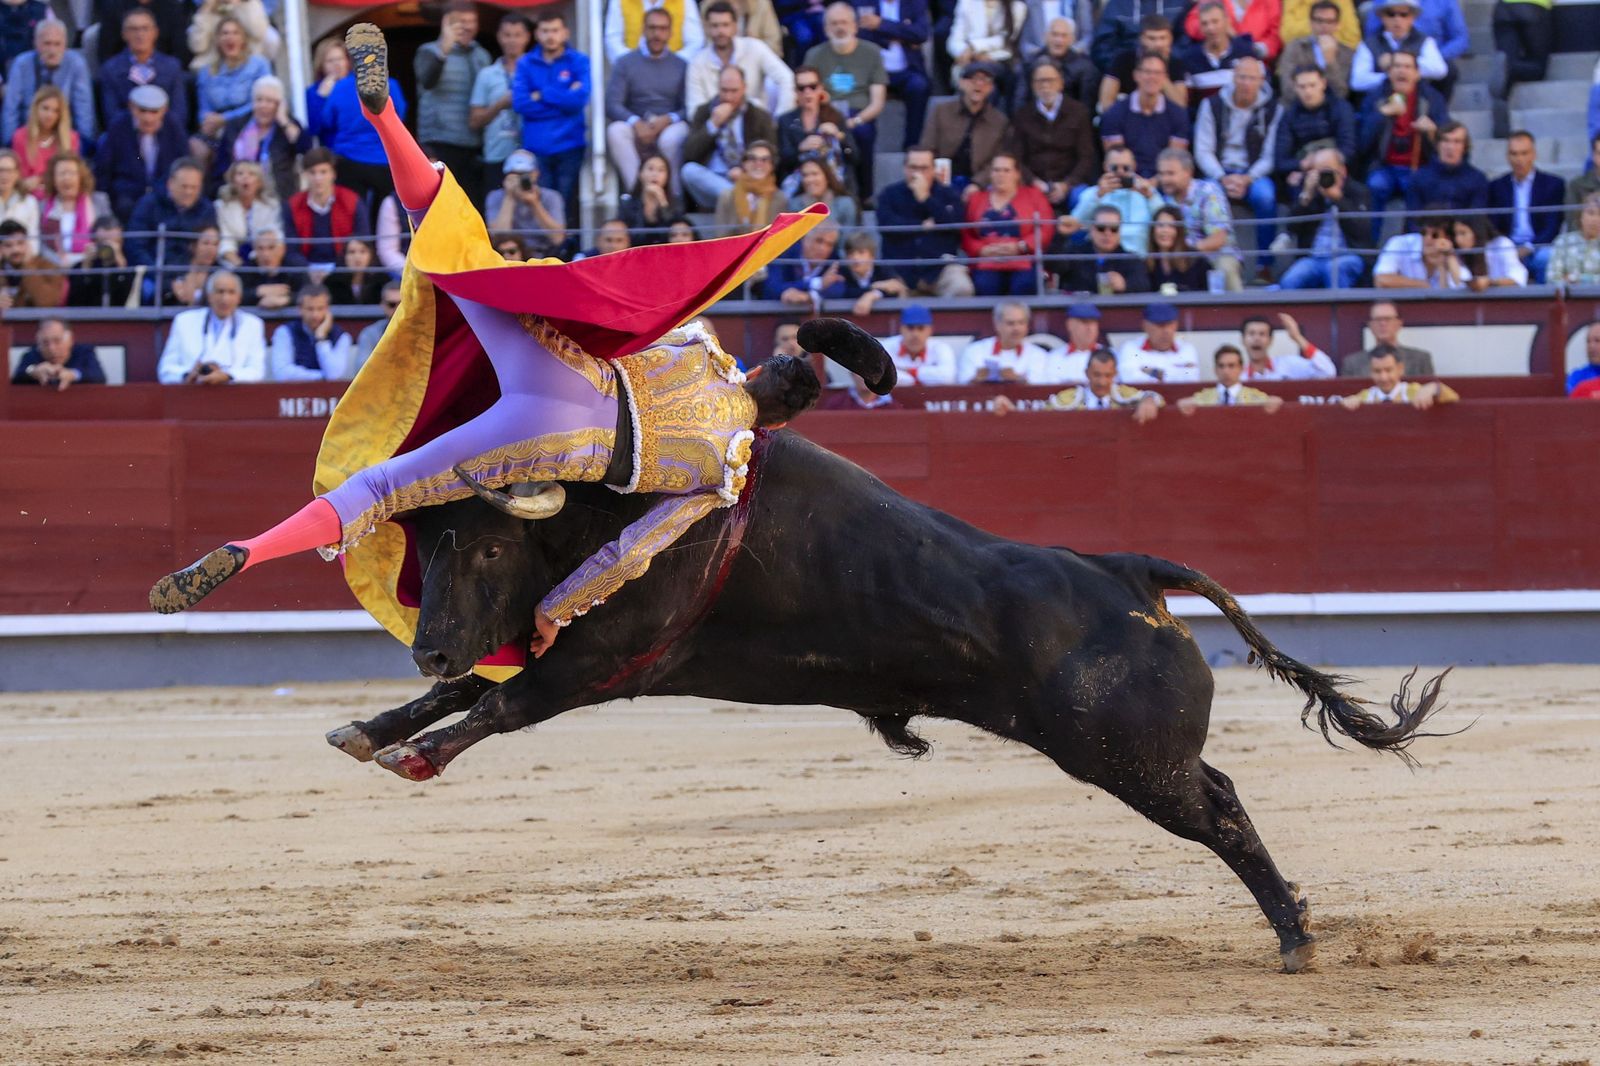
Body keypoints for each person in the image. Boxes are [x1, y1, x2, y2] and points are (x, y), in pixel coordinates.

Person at [150, 23, 842, 645]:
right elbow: (629, 552)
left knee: (455, 246)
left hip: (560, 370)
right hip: (559, 442)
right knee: (383, 489)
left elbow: (638, 313)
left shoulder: (703, 351)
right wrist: (555, 612)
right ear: (776, 421)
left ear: (757, 374)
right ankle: (251, 548)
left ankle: (386, 115)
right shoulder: (726, 470)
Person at [1356, 49, 1447, 243]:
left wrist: (1432, 132)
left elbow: (1447, 140)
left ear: (1417, 73)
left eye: (1407, 67)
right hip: (1384, 167)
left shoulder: (1431, 99)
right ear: (1389, 73)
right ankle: (1369, 250)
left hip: (1418, 167)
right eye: (1396, 66)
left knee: (1419, 186)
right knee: (1375, 185)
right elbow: (1362, 143)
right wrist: (1382, 114)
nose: (1401, 72)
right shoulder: (1376, 98)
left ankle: (1414, 247)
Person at [513, 12, 590, 233]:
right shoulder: (526, 63)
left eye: (555, 30)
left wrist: (543, 93)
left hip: (570, 145)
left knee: (567, 203)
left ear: (565, 33)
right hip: (536, 148)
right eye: (545, 31)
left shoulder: (578, 61)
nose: (550, 36)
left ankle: (568, 251)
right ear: (537, 34)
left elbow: (579, 101)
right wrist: (563, 95)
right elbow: (521, 104)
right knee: (540, 202)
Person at [1193, 56, 1280, 248]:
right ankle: (1207, 259)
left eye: (1251, 78)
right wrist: (1222, 176)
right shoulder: (1212, 105)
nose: (1246, 83)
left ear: (1261, 81)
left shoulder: (1273, 110)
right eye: (1241, 77)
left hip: (1252, 174)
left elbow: (1270, 155)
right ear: (1233, 78)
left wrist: (1248, 178)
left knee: (1266, 196)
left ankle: (1264, 266)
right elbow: (1203, 150)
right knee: (1203, 195)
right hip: (1219, 171)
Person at [802, 3, 887, 195]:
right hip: (825, 113)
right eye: (834, 23)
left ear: (855, 26)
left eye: (844, 22)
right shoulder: (814, 55)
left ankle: (866, 194)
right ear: (825, 29)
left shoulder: (872, 52)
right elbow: (807, 93)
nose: (840, 28)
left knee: (863, 134)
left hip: (859, 115)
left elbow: (877, 101)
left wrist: (853, 122)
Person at [605, 8, 691, 192]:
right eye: (652, 28)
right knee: (615, 131)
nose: (657, 34)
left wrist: (668, 119)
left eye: (662, 29)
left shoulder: (681, 65)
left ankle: (674, 197)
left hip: (669, 125)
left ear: (670, 32)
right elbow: (612, 104)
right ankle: (637, 193)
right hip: (637, 124)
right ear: (643, 29)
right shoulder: (625, 63)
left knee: (672, 137)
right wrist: (636, 123)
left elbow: (688, 107)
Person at [415, 0, 491, 205]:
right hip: (440, 140)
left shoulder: (481, 55)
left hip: (473, 143)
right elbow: (427, 80)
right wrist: (444, 49)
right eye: (460, 21)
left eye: (472, 21)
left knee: (470, 203)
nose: (467, 27)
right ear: (445, 23)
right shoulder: (428, 51)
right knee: (443, 203)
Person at [874, 147, 974, 297]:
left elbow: (955, 225)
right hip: (900, 270)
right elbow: (887, 225)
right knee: (886, 293)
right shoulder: (889, 194)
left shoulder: (948, 194)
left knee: (962, 288)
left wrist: (926, 199)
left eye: (924, 168)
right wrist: (921, 226)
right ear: (904, 168)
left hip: (940, 268)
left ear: (934, 169)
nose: (918, 173)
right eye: (913, 167)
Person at [681, 66, 778, 211]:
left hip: (747, 178)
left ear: (744, 88)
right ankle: (738, 198)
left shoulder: (759, 115)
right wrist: (712, 124)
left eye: (734, 91)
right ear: (718, 88)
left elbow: (772, 153)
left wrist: (745, 170)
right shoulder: (704, 112)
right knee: (688, 170)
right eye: (724, 90)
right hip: (713, 181)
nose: (728, 97)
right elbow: (689, 153)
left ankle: (739, 198)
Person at [1278, 145, 1368, 290]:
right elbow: (1291, 226)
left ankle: (1340, 312)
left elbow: (1363, 230)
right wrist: (1306, 197)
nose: (1324, 177)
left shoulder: (1357, 191)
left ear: (1342, 171)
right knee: (1290, 280)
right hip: (1314, 257)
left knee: (1335, 270)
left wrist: (1339, 199)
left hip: (1348, 255)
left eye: (1327, 171)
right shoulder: (1310, 191)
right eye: (1318, 172)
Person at [1011, 60, 1096, 213]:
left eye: (1050, 80)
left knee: (1084, 198)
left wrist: (1066, 184)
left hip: (1070, 183)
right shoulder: (1023, 115)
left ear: (1061, 83)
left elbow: (1086, 156)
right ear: (1032, 85)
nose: (1045, 86)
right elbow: (1017, 158)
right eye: (1040, 81)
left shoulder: (1078, 112)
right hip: (1034, 183)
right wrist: (1034, 182)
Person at [156, 270, 268, 385]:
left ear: (239, 298)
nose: (225, 299)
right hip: (192, 394)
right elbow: (165, 370)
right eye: (220, 292)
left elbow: (257, 371)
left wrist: (228, 375)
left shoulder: (253, 324)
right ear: (209, 296)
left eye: (231, 292)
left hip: (234, 397)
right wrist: (187, 374)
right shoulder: (184, 321)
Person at [963, 153, 1052, 296]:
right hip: (987, 261)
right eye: (996, 170)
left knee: (1024, 285)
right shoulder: (976, 198)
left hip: (1024, 259)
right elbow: (966, 234)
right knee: (984, 286)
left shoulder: (1034, 195)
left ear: (1017, 174)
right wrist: (982, 250)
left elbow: (1046, 229)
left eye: (1006, 170)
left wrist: (1021, 246)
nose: (1000, 175)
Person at [96, 83, 187, 221]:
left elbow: (182, 164)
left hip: (164, 193)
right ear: (131, 107)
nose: (148, 118)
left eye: (154, 111)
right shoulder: (119, 126)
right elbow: (104, 168)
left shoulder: (173, 127)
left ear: (164, 110)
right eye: (142, 110)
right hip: (127, 196)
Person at [212, 75, 311, 204]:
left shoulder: (287, 126)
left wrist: (283, 120)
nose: (263, 105)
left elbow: (305, 148)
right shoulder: (236, 126)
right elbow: (221, 167)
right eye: (259, 100)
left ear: (280, 104)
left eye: (270, 101)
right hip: (239, 199)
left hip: (278, 198)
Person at [1155, 147, 1242, 290]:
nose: (1164, 179)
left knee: (1225, 267)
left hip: (1214, 255)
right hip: (1180, 258)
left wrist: (1187, 253)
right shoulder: (1164, 200)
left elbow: (1219, 238)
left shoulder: (1208, 191)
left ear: (1188, 172)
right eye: (1161, 174)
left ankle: (1239, 312)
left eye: (1170, 174)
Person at [918, 60, 1012, 192]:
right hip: (941, 177)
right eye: (973, 79)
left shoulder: (999, 121)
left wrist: (977, 183)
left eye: (985, 80)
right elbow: (927, 147)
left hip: (980, 183)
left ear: (991, 88)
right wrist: (937, 175)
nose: (979, 84)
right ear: (961, 83)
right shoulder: (941, 111)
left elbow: (997, 160)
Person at [470, 13, 536, 200]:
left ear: (527, 37)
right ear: (499, 36)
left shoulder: (537, 70)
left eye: (518, 35)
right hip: (496, 153)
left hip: (533, 152)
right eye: (507, 35)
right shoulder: (487, 74)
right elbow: (474, 121)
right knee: (496, 207)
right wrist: (500, 104)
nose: (512, 40)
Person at [192, 16, 272, 164]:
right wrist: (207, 121)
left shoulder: (258, 64)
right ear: (217, 40)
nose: (230, 37)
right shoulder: (206, 71)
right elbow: (203, 109)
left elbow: (263, 103)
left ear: (243, 39)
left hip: (249, 124)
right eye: (225, 33)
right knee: (196, 146)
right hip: (217, 130)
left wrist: (226, 119)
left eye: (235, 33)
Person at [689, 1, 793, 115]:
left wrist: (780, 120)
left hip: (755, 124)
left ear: (735, 26)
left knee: (771, 87)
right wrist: (713, 124)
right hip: (715, 126)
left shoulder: (754, 47)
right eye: (715, 26)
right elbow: (694, 110)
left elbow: (787, 79)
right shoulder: (697, 62)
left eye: (725, 25)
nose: (720, 31)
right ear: (707, 28)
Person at [2, 20, 95, 146]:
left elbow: (83, 109)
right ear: (36, 43)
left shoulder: (76, 64)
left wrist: (84, 145)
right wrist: (10, 144)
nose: (52, 50)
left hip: (64, 136)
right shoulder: (21, 64)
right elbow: (11, 109)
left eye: (57, 44)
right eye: (47, 44)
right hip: (27, 136)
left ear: (65, 45)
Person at [1101, 51, 1191, 180]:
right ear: (1136, 75)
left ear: (1164, 77)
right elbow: (1117, 161)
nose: (1152, 77)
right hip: (1126, 180)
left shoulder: (1178, 114)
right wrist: (1139, 184)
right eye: (1147, 72)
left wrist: (1152, 184)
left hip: (1165, 182)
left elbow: (1174, 159)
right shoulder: (1114, 113)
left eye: (1157, 73)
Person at [1488, 130, 1562, 285]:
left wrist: (1528, 248)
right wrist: (1509, 248)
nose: (1519, 159)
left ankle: (1544, 301)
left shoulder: (1553, 184)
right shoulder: (1497, 186)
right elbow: (1493, 224)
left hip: (1538, 245)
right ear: (1508, 157)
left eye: (1524, 153)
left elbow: (1552, 226)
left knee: (1545, 258)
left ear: (1534, 154)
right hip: (1507, 246)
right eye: (1514, 154)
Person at [855, 0, 931, 148]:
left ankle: (912, 147)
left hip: (907, 70)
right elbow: (859, 35)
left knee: (919, 86)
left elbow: (921, 34)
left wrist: (881, 24)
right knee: (861, 93)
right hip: (872, 72)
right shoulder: (862, 2)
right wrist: (903, 32)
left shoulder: (915, 3)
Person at [97, 8, 187, 130]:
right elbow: (112, 114)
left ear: (155, 32)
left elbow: (179, 112)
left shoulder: (172, 66)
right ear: (124, 34)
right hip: (126, 135)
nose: (140, 34)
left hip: (165, 133)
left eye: (145, 28)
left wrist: (155, 126)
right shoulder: (110, 69)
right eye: (133, 29)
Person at [1064, 145, 1163, 255]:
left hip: (1138, 259)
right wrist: (1098, 195)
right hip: (1102, 259)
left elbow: (1167, 221)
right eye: (1115, 168)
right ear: (1105, 167)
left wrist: (1150, 196)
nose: (1120, 172)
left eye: (1126, 168)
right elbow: (1074, 224)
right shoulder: (1092, 193)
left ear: (1134, 167)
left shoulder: (1147, 192)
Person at [126, 158, 217, 275]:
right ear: (170, 184)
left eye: (194, 187)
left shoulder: (207, 210)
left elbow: (209, 250)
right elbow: (136, 247)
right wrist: (159, 275)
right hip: (154, 273)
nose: (189, 192)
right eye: (184, 186)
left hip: (193, 276)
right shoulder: (148, 205)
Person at [284, 148, 371, 269]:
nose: (318, 178)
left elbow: (363, 241)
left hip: (344, 270)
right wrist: (309, 271)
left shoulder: (352, 201)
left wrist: (335, 271)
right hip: (306, 271)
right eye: (312, 172)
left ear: (333, 174)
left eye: (323, 172)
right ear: (305, 175)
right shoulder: (293, 205)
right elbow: (291, 250)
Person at [776, 64, 859, 190]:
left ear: (821, 88)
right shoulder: (786, 121)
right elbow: (782, 162)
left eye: (813, 87)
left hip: (834, 183)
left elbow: (854, 156)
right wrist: (800, 148)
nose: (807, 92)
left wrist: (839, 137)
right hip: (800, 185)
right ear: (795, 91)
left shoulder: (835, 117)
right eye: (801, 88)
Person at [1274, 65, 1356, 189]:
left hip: (1338, 171)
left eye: (1312, 85)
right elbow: (1280, 161)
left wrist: (1318, 163)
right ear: (1295, 87)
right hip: (1303, 175)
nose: (1308, 91)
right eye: (1302, 87)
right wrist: (1301, 165)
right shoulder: (1289, 116)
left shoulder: (1341, 109)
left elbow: (1348, 149)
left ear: (1323, 83)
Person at [1026, 347, 1162, 421]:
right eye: (1097, 375)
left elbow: (1157, 399)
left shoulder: (1123, 393)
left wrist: (1149, 400)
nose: (1102, 382)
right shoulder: (1071, 398)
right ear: (1087, 373)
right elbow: (1039, 408)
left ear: (1115, 374)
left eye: (1107, 375)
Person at [1350, 0, 1449, 95]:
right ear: (1383, 18)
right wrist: (1391, 76)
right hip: (1379, 103)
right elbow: (1357, 81)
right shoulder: (1369, 44)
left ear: (1412, 18)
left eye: (1404, 14)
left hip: (1416, 100)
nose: (1397, 19)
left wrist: (1396, 62)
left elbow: (1440, 70)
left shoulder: (1424, 41)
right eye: (1391, 14)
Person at [1098, 13, 1187, 112]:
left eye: (1163, 38)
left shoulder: (1175, 63)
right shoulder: (1122, 59)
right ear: (1141, 38)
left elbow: (1181, 106)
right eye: (1151, 38)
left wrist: (1159, 73)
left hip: (1163, 123)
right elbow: (1106, 102)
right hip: (1126, 120)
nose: (1158, 44)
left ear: (1170, 39)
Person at [1058, 203, 1151, 294]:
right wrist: (1060, 236)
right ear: (1091, 229)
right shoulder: (1075, 253)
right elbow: (1055, 266)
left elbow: (1145, 285)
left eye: (1114, 229)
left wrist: (1125, 285)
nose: (1108, 233)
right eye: (1101, 228)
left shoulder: (1131, 259)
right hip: (1079, 307)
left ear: (1120, 231)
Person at [1405, 121, 1486, 224]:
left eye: (1457, 142)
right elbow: (1413, 218)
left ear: (1465, 147)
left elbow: (1477, 219)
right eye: (1445, 141)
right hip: (1426, 235)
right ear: (1437, 144)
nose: (1450, 147)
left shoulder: (1477, 179)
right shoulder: (1419, 178)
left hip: (1462, 236)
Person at [38, 152, 109, 268]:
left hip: (92, 265)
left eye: (72, 173)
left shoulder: (99, 201)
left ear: (81, 177)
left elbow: (109, 236)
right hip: (54, 267)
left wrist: (92, 255)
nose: (67, 178)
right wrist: (59, 262)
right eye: (61, 174)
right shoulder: (43, 206)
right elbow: (41, 245)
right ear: (53, 179)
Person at [271, 283, 354, 382]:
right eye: (310, 309)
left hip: (330, 395)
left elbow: (334, 375)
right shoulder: (285, 332)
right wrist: (320, 376)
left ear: (327, 309)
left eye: (320, 308)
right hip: (292, 393)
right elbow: (282, 373)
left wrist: (321, 339)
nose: (315, 315)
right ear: (300, 309)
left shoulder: (342, 336)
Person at [1181, 1, 1258, 105]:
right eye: (1205, 23)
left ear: (1227, 22)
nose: (1211, 28)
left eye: (1215, 21)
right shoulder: (1190, 58)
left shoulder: (1246, 52)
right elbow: (1189, 103)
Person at [1018, 16, 1098, 115]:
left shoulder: (1085, 67)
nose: (1059, 40)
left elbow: (1087, 106)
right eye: (1054, 35)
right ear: (1045, 36)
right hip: (1034, 121)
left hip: (1072, 122)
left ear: (1072, 39)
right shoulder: (1029, 63)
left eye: (1064, 36)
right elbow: (1020, 100)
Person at [1374, 211, 1469, 290]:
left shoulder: (1455, 253)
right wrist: (1423, 285)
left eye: (1434, 235)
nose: (1427, 239)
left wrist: (1444, 264)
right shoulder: (1400, 243)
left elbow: (1462, 290)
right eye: (1423, 233)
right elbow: (1381, 280)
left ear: (1448, 238)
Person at [1279, 1, 1354, 98]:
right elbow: (1287, 88)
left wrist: (1330, 62)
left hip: (1332, 109)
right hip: (1297, 107)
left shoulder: (1347, 54)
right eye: (1319, 20)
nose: (1324, 26)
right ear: (1311, 23)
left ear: (1338, 25)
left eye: (1329, 21)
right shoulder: (1295, 47)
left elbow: (1341, 93)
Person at [11, 85, 78, 194]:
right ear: (36, 108)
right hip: (28, 197)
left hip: (59, 197)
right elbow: (18, 178)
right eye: (45, 108)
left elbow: (72, 176)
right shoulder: (20, 137)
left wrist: (41, 180)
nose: (49, 115)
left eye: (56, 111)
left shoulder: (71, 138)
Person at [1177, 345, 1285, 412]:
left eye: (1231, 366)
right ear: (1215, 369)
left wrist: (1276, 401)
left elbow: (1275, 402)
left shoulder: (1254, 396)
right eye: (1221, 366)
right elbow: (1185, 403)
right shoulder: (1204, 396)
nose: (1226, 371)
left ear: (1241, 368)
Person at [1090, 0, 1190, 72]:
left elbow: (1186, 40)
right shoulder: (1116, 4)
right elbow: (1102, 48)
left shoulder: (1180, 3)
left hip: (1172, 67)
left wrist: (1166, 62)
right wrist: (1128, 65)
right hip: (1127, 70)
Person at [1339, 300, 1434, 376]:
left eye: (1388, 319)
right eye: (1378, 319)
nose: (1383, 324)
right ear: (1370, 325)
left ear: (1399, 323)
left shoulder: (1421, 360)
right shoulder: (1352, 363)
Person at [1340, 347, 1457, 408]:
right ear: (1370, 371)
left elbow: (1453, 398)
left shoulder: (1414, 391)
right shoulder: (1365, 397)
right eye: (1377, 371)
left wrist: (1434, 388)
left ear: (1400, 369)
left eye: (1388, 370)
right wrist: (1349, 403)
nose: (1383, 377)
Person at [958, 301, 1045, 383]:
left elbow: (1040, 389)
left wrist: (1018, 380)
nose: (1016, 328)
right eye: (1010, 323)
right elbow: (962, 385)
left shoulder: (1038, 354)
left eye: (1021, 323)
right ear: (997, 324)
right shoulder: (974, 351)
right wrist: (975, 380)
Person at [214, 160, 280, 267]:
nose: (245, 177)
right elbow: (225, 241)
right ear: (233, 181)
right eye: (240, 174)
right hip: (231, 262)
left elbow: (273, 238)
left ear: (259, 182)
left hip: (264, 260)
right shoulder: (221, 207)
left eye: (251, 174)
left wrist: (254, 262)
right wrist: (239, 265)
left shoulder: (272, 207)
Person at [10, 316, 105, 388]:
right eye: (45, 342)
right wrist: (33, 371)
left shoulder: (84, 352)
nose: (51, 348)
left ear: (70, 340)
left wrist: (73, 374)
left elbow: (99, 376)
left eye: (57, 341)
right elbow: (18, 376)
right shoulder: (31, 355)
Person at [827, 231, 907, 315]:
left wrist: (872, 295)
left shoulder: (882, 269)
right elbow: (845, 293)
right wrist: (874, 288)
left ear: (872, 256)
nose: (855, 258)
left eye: (861, 252)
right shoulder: (842, 272)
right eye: (850, 253)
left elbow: (896, 289)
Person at [1118, 300, 1199, 383]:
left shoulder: (1186, 348)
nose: (1166, 331)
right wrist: (1174, 375)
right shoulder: (1130, 348)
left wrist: (1154, 373)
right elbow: (1130, 379)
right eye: (1160, 325)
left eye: (1170, 324)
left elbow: (1191, 378)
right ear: (1145, 325)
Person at [948, 0, 1028, 82]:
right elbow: (954, 40)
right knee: (963, 71)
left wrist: (973, 47)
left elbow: (1005, 39)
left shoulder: (1018, 7)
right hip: (969, 58)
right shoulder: (966, 3)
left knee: (980, 72)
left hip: (1001, 58)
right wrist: (964, 52)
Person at [1238, 312, 1335, 378]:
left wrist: (1297, 337)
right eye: (1251, 333)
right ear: (1242, 340)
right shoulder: (1237, 375)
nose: (1257, 338)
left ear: (1271, 340)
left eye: (1262, 334)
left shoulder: (1288, 364)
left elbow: (1328, 371)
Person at [879, 303, 957, 385]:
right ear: (901, 329)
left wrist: (911, 372)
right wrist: (919, 378)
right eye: (910, 328)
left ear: (930, 330)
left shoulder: (941, 348)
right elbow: (882, 377)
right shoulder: (886, 347)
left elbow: (948, 377)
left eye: (921, 328)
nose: (915, 334)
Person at [1493, 0, 1553, 105]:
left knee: (1506, 60)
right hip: (1534, 7)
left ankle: (1501, 102)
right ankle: (1510, 68)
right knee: (1538, 67)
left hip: (1503, 8)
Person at [70, 216, 138, 307]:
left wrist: (121, 265)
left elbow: (126, 299)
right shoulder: (80, 267)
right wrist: (85, 267)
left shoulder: (129, 267)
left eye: (114, 243)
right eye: (103, 243)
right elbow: (75, 300)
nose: (107, 248)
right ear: (93, 241)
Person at [1183, 0, 1281, 62]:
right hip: (1219, 56)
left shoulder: (1270, 1)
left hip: (1256, 62)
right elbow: (1192, 23)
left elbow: (1275, 35)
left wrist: (1253, 49)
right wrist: (1217, 28)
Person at [763, 222, 841, 301]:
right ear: (804, 238)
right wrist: (817, 283)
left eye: (830, 244)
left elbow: (841, 289)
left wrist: (810, 296)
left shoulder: (834, 258)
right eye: (819, 241)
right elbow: (771, 289)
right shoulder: (784, 253)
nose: (823, 248)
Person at [605, 0, 705, 61]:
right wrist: (633, 65)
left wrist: (673, 64)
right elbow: (613, 40)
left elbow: (695, 42)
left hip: (674, 76)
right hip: (632, 76)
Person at [620, 152, 686, 243]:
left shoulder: (676, 203)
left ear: (667, 176)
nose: (655, 174)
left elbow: (673, 235)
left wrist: (663, 202)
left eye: (661, 170)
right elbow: (629, 238)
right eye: (650, 169)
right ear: (640, 173)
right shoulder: (627, 204)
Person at [0, 216, 64, 306]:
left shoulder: (48, 266)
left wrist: (28, 266)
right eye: (8, 245)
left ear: (28, 243)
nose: (16, 249)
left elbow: (47, 303)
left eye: (20, 243)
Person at [1144, 204, 1209, 291]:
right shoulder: (1146, 264)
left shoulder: (1195, 259)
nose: (1165, 230)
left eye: (1171, 226)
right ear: (1153, 230)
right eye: (1160, 225)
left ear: (1179, 231)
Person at [1450, 214, 1526, 290]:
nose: (1458, 240)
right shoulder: (1459, 252)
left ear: (1477, 231)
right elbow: (1460, 285)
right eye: (1456, 234)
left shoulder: (1501, 244)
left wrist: (1489, 282)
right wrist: (1450, 257)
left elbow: (1517, 278)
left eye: (1463, 233)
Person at [237, 227, 306, 309]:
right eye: (260, 248)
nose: (265, 254)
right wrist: (257, 291)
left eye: (271, 248)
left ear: (282, 249)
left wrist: (286, 299)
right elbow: (235, 296)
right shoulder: (245, 269)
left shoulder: (295, 266)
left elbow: (309, 293)